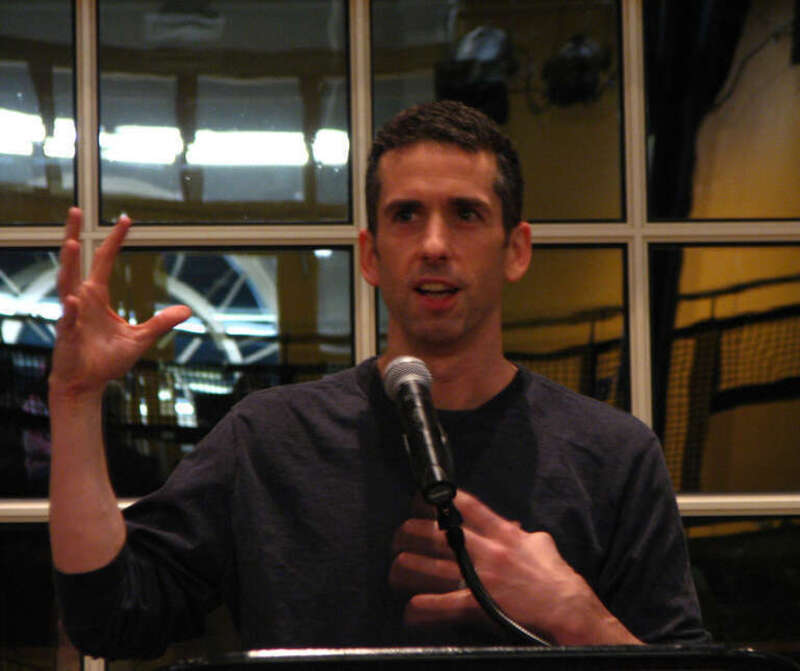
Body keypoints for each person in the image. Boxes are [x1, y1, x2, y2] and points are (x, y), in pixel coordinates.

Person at [49, 101, 708, 659]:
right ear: (370, 255)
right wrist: (75, 402)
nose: (434, 244)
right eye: (406, 215)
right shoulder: (270, 439)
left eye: (467, 214)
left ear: (516, 250)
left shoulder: (613, 456)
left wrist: (575, 615)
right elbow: (109, 616)